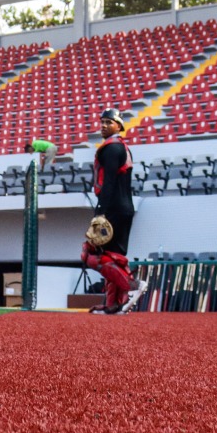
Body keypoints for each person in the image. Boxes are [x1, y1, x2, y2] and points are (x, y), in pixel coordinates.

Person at [85, 108, 146, 315]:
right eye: (102, 122)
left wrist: (101, 211)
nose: (103, 126)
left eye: (108, 122)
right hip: (122, 207)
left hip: (113, 208)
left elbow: (109, 181)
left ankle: (133, 286)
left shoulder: (112, 148)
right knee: (114, 257)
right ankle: (114, 304)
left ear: (119, 126)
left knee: (91, 254)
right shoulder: (121, 147)